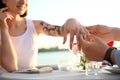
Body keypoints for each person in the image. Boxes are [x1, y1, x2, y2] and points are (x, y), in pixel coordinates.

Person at [0, 0, 88, 73]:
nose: (23, 1)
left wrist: (71, 21)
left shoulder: (36, 25)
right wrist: (3, 28)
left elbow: (63, 30)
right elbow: (11, 68)